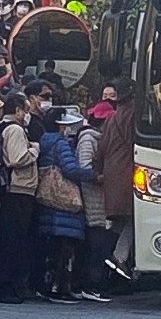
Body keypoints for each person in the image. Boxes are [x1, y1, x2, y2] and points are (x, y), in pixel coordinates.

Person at [37, 110, 98, 303]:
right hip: (64, 202)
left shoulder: (44, 141)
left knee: (52, 248)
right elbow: (70, 169)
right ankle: (58, 288)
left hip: (48, 198)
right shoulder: (61, 143)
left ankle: (47, 285)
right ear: (61, 125)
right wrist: (94, 175)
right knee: (64, 247)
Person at [0, 92, 38, 304]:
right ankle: (7, 284)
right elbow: (17, 158)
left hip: (8, 189)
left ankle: (6, 282)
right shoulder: (15, 130)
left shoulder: (0, 127)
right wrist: (34, 150)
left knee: (9, 238)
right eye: (25, 110)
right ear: (18, 110)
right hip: (18, 188)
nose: (27, 115)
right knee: (14, 239)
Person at [96, 77, 136, 281]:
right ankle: (118, 257)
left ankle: (103, 259)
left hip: (112, 175)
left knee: (117, 223)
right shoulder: (133, 114)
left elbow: (101, 149)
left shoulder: (113, 117)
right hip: (127, 174)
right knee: (133, 219)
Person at [76, 101, 115, 302]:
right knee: (96, 243)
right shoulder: (88, 139)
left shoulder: (101, 138)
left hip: (102, 198)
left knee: (102, 241)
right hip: (92, 197)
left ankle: (97, 282)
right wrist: (101, 177)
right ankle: (91, 284)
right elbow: (84, 167)